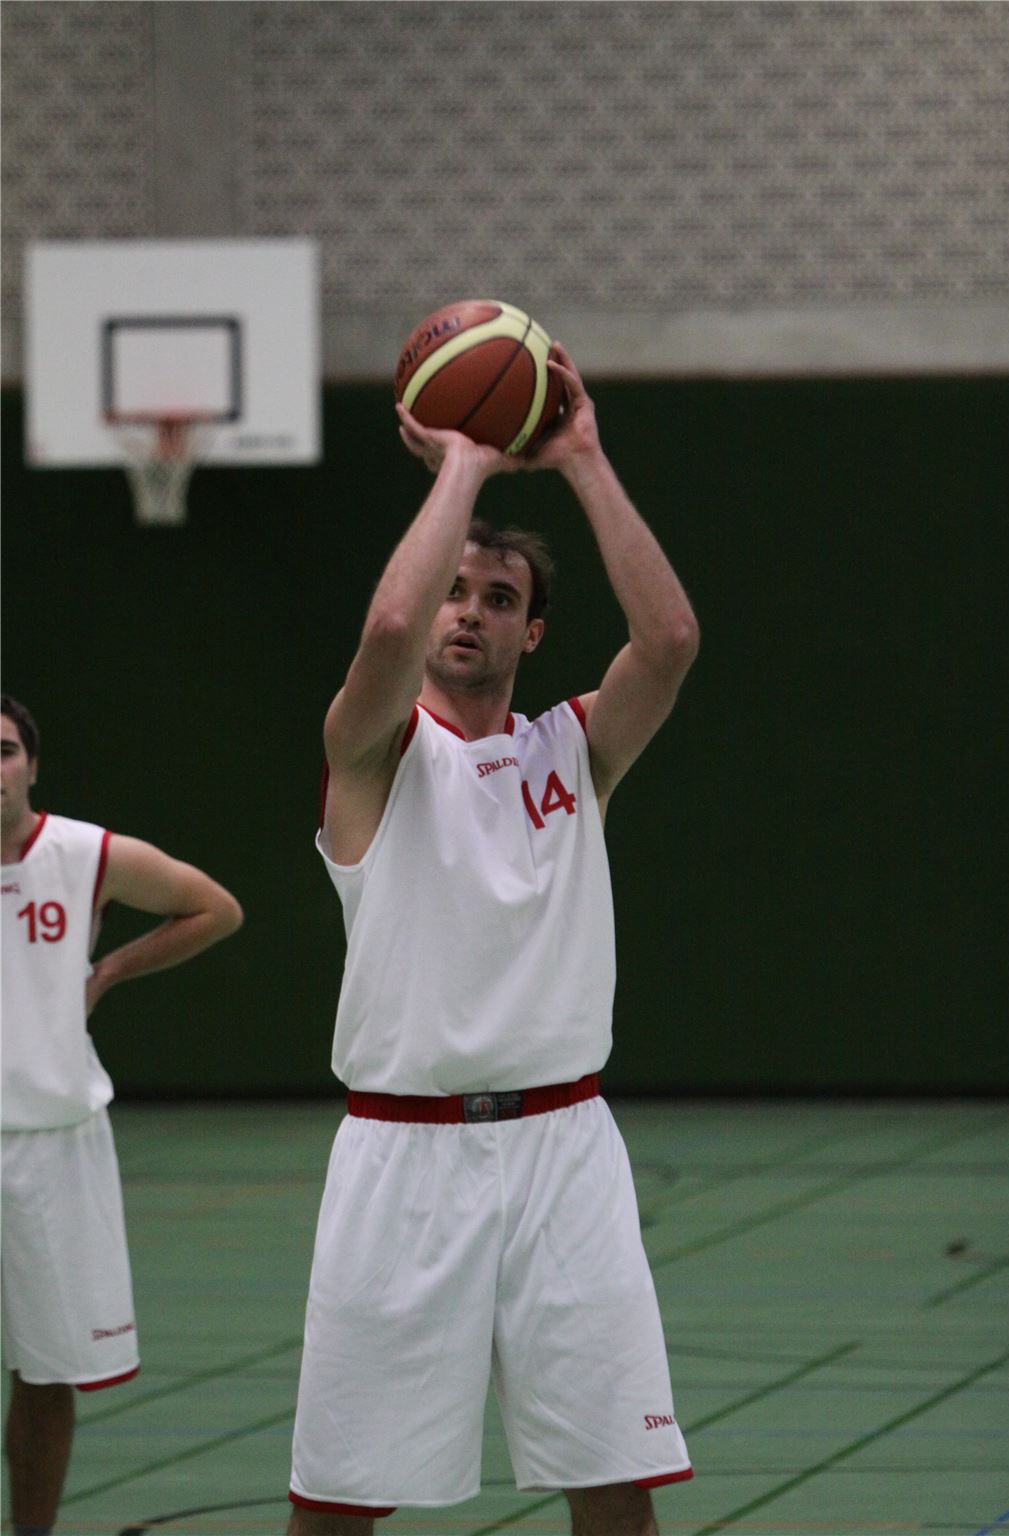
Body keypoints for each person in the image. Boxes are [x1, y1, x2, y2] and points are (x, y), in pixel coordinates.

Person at [288, 343, 700, 1536]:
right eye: (458, 591)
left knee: (615, 1486)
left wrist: (582, 455)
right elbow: (387, 623)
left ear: (532, 634)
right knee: (339, 1505)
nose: (468, 610)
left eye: (500, 598)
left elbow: (670, 641)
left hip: (565, 1152)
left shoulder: (573, 750)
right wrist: (463, 465)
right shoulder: (374, 754)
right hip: (403, 1159)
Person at [1, 694, 243, 1535]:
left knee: (46, 1370)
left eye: (4, 750)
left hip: (54, 1145)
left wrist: (106, 973)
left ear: (33, 765)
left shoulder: (83, 853)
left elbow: (215, 907)